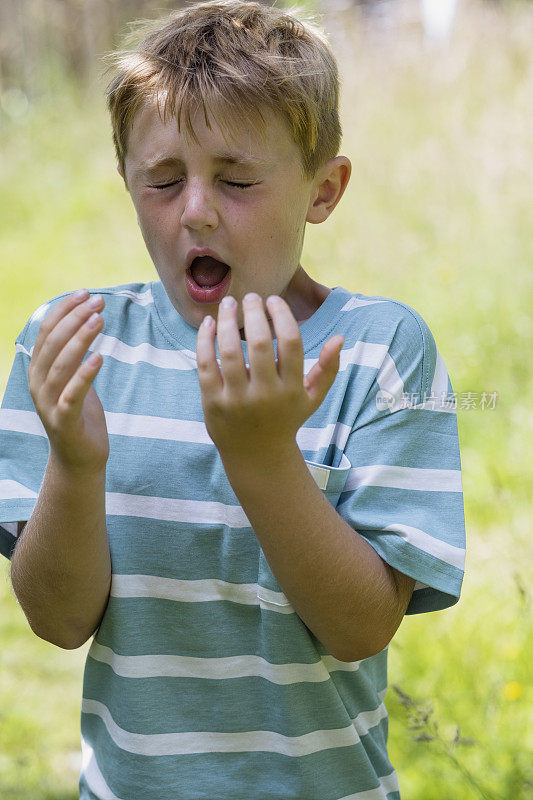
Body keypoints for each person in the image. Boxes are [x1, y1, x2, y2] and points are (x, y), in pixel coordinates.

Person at [0, 1, 466, 798]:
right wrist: (75, 467)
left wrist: (261, 458)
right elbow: (58, 621)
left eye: (238, 179)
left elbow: (360, 629)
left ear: (323, 189)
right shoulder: (73, 346)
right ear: (126, 180)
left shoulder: (378, 352)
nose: (197, 210)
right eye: (163, 179)